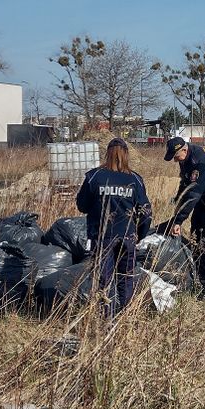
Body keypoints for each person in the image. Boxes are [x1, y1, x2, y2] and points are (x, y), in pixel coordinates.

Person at [75, 137, 151, 319]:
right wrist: (140, 234)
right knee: (126, 279)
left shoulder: (93, 176)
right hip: (128, 237)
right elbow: (146, 212)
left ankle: (106, 319)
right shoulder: (135, 179)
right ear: (126, 155)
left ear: (107, 153)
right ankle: (125, 319)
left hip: (102, 237)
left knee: (104, 281)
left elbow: (82, 205)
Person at [164, 136, 205, 299]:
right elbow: (185, 183)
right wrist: (178, 198)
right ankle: (198, 282)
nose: (175, 160)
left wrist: (178, 220)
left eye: (176, 156)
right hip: (201, 204)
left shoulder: (198, 161)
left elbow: (193, 193)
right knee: (196, 240)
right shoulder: (186, 159)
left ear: (184, 150)